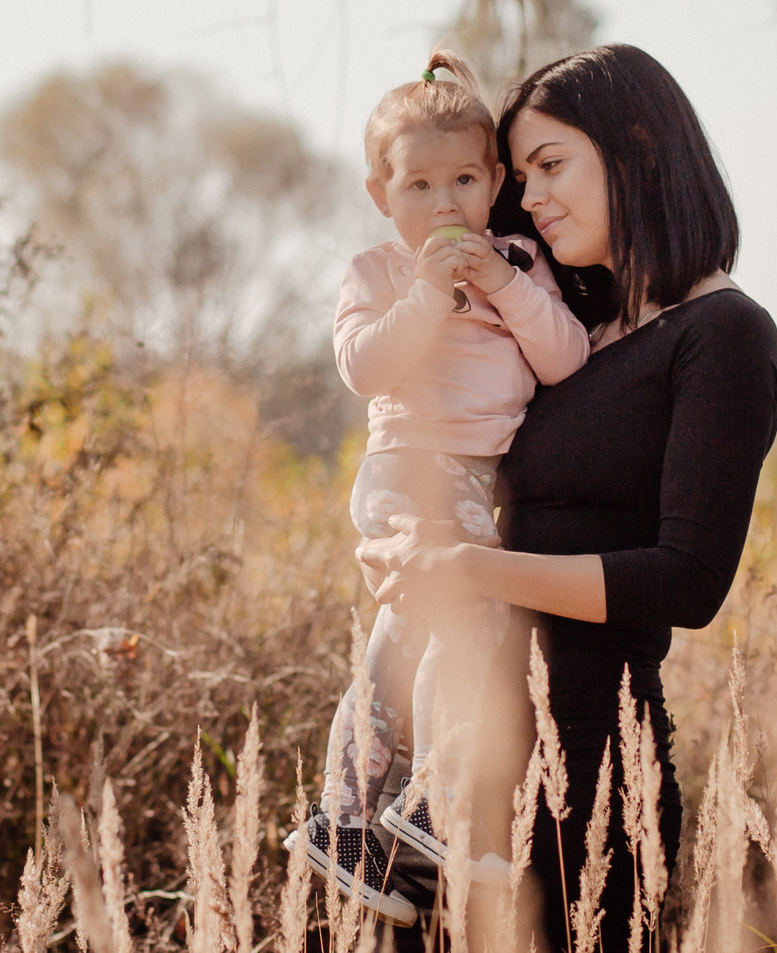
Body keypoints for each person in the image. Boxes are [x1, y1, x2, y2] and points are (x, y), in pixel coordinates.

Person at [358, 45, 777, 952]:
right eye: (524, 175)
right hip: (463, 772)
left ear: (637, 149)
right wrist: (408, 540)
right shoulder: (567, 331)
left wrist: (475, 568)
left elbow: (687, 580)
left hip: (592, 776)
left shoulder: (724, 333)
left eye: (554, 165)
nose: (534, 197)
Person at [287, 52, 591, 924]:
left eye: (463, 179)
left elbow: (564, 356)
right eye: (418, 185)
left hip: (471, 481)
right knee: (473, 617)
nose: (445, 203)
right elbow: (362, 365)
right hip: (410, 469)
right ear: (382, 194)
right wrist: (427, 292)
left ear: (496, 181)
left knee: (408, 634)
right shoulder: (379, 271)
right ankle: (430, 800)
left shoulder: (518, 261)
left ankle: (349, 818)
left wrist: (502, 282)